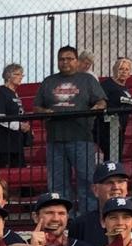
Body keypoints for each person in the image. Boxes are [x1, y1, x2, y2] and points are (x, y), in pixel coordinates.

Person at [34, 45, 107, 213]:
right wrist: (46, 111)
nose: (65, 62)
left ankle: (89, 219)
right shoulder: (48, 81)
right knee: (58, 184)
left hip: (82, 137)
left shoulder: (87, 80)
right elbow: (37, 107)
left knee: (87, 180)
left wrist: (95, 108)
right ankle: (63, 218)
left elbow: (102, 101)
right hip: (55, 138)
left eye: (69, 58)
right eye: (61, 59)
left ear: (77, 61)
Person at [0, 63, 29, 168]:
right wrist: (19, 126)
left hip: (15, 142)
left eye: (21, 75)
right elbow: (0, 117)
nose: (21, 77)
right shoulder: (1, 93)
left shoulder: (14, 94)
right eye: (17, 74)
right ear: (8, 76)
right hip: (3, 144)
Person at [96, 56, 132, 160]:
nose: (123, 72)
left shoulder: (125, 89)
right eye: (121, 69)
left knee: (116, 159)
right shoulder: (107, 85)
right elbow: (99, 104)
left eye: (126, 69)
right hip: (108, 129)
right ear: (114, 70)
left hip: (120, 130)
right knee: (112, 159)